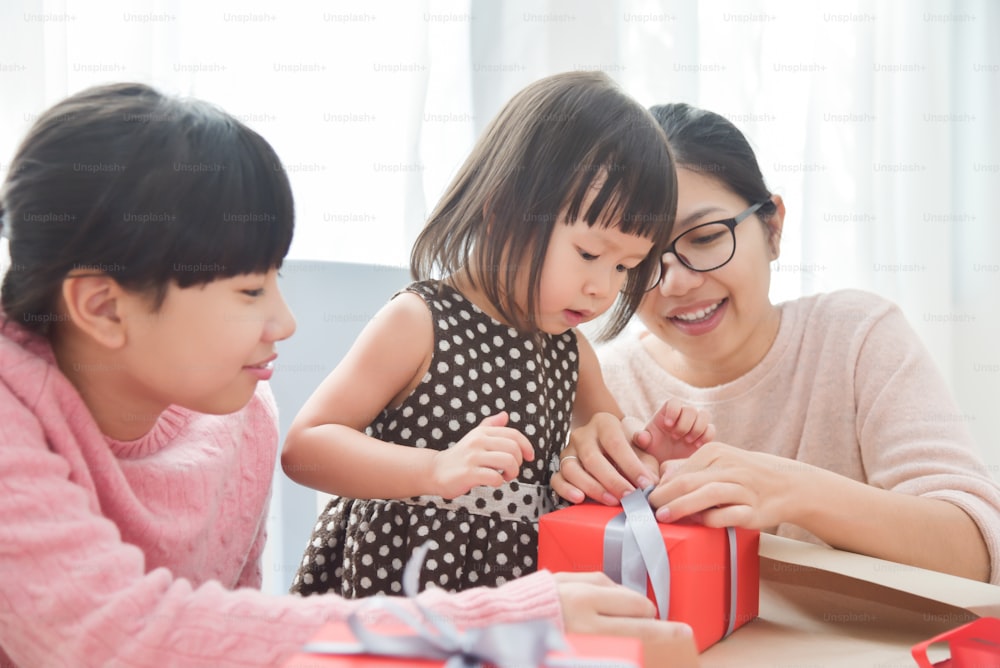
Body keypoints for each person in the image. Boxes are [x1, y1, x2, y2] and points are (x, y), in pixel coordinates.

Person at [0, 82, 700, 667]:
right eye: (249, 291)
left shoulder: (238, 415)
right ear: (101, 306)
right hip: (410, 598)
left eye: (624, 268)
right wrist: (504, 601)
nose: (286, 321)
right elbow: (123, 635)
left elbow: (228, 631)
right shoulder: (13, 423)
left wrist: (612, 448)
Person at [282, 71, 713, 600]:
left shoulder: (571, 353)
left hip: (517, 591)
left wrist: (649, 453)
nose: (602, 288)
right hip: (402, 585)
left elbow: (608, 456)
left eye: (626, 266)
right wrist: (434, 469)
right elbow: (305, 446)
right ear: (505, 209)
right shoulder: (421, 322)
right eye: (588, 254)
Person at [553, 102, 1000, 585]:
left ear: (773, 226)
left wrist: (792, 489)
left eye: (704, 238)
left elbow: (978, 550)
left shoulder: (855, 335)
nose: (676, 284)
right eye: (641, 262)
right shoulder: (602, 388)